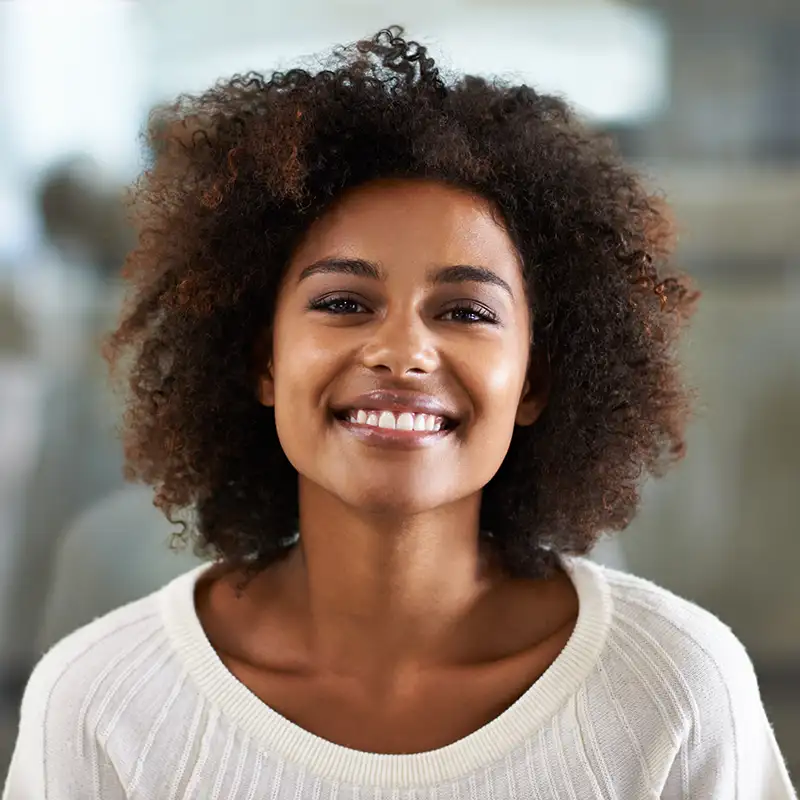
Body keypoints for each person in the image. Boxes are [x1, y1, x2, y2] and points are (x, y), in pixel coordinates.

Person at [3, 27, 795, 799]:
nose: (404, 351)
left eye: (466, 312)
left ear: (535, 382)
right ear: (262, 362)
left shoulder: (676, 690)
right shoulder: (101, 702)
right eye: (345, 301)